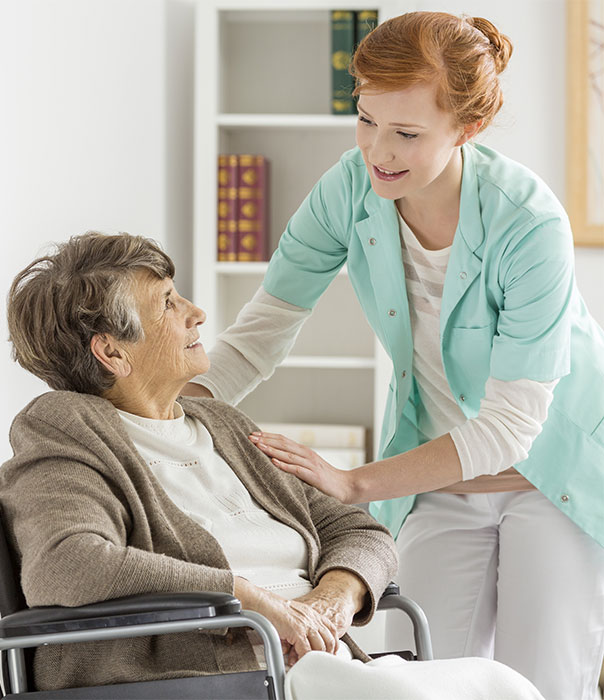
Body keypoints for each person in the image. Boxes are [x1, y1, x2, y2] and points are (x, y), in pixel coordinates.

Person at [183, 12, 604, 700]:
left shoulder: (529, 222)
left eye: (406, 133)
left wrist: (353, 484)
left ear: (465, 129)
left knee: (541, 688)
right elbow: (263, 329)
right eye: (365, 119)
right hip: (437, 473)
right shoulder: (349, 189)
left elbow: (510, 427)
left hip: (553, 478)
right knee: (417, 682)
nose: (378, 150)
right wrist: (162, 412)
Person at [0, 231, 542, 699]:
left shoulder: (222, 424)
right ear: (112, 353)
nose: (196, 312)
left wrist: (333, 597)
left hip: (309, 664)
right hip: (209, 676)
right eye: (167, 303)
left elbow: (358, 529)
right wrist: (247, 599)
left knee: (500, 685)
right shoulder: (63, 431)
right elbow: (66, 565)